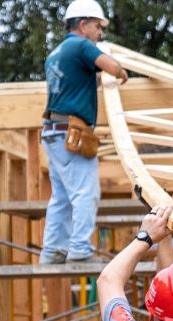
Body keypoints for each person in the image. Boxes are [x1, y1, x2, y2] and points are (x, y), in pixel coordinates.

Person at [40, 0, 128, 264]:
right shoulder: (81, 45)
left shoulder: (57, 52)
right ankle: (79, 249)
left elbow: (79, 82)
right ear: (82, 24)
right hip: (71, 133)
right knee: (85, 193)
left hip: (53, 132)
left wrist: (98, 79)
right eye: (98, 27)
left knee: (62, 197)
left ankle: (52, 251)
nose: (100, 34)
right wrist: (121, 72)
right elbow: (112, 67)